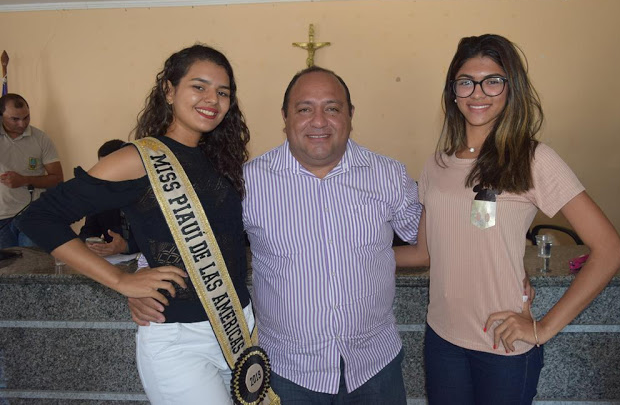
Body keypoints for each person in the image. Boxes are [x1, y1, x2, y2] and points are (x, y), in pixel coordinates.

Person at [130, 66, 423, 404]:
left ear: (350, 114)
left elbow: (426, 240)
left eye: (332, 108)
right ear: (285, 117)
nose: (318, 121)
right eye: (304, 109)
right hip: (287, 372)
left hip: (375, 367)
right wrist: (143, 278)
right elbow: (188, 237)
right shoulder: (246, 182)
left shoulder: (389, 175)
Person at [16, 44, 255, 405]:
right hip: (180, 340)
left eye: (223, 92)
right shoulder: (138, 159)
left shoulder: (219, 159)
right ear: (169, 90)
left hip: (238, 327)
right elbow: (40, 217)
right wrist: (121, 281)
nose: (213, 99)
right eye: (199, 86)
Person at [395, 34, 620, 405]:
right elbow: (424, 253)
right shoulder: (436, 165)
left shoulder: (533, 159)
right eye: (466, 82)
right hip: (442, 340)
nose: (478, 93)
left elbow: (610, 250)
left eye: (493, 81)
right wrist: (356, 252)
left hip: (502, 345)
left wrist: (543, 328)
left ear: (510, 88)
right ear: (453, 92)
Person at [0, 93, 63, 249]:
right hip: (2, 218)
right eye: (15, 119)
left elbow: (57, 179)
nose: (22, 124)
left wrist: (24, 180)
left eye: (26, 117)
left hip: (32, 215)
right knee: (6, 264)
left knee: (32, 262)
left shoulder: (40, 138)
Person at [78, 139, 139, 257]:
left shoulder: (148, 193)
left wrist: (127, 246)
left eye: (111, 167)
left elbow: (161, 237)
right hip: (116, 261)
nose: (106, 173)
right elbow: (89, 231)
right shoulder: (99, 196)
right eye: (102, 167)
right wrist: (89, 243)